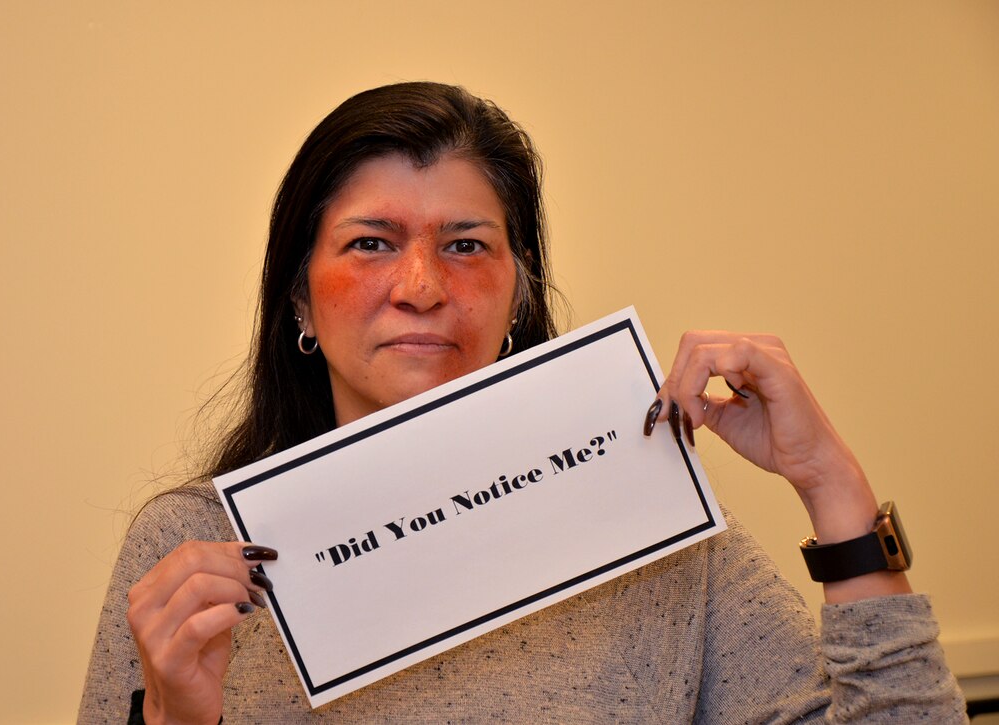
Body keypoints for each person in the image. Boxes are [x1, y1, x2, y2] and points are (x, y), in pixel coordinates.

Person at [79, 82, 967, 723]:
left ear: (516, 295)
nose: (422, 286)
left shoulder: (652, 525)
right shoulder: (188, 555)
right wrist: (176, 719)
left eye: (466, 244)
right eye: (371, 243)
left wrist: (835, 489)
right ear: (301, 301)